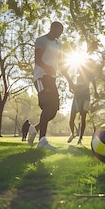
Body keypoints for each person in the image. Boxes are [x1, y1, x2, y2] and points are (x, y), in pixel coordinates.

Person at [27, 21, 73, 150]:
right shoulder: (41, 40)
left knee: (53, 111)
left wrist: (70, 81)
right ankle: (42, 141)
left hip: (51, 79)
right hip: (41, 77)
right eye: (58, 31)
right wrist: (48, 68)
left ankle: (34, 129)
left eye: (61, 32)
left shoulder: (59, 44)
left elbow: (62, 64)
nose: (60, 34)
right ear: (52, 28)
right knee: (47, 106)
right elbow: (37, 60)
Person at [67, 58, 97, 145]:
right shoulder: (79, 73)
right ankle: (72, 133)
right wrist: (71, 88)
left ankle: (80, 138)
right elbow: (75, 85)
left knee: (83, 118)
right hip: (76, 97)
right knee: (71, 118)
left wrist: (96, 92)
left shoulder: (90, 74)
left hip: (86, 98)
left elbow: (94, 83)